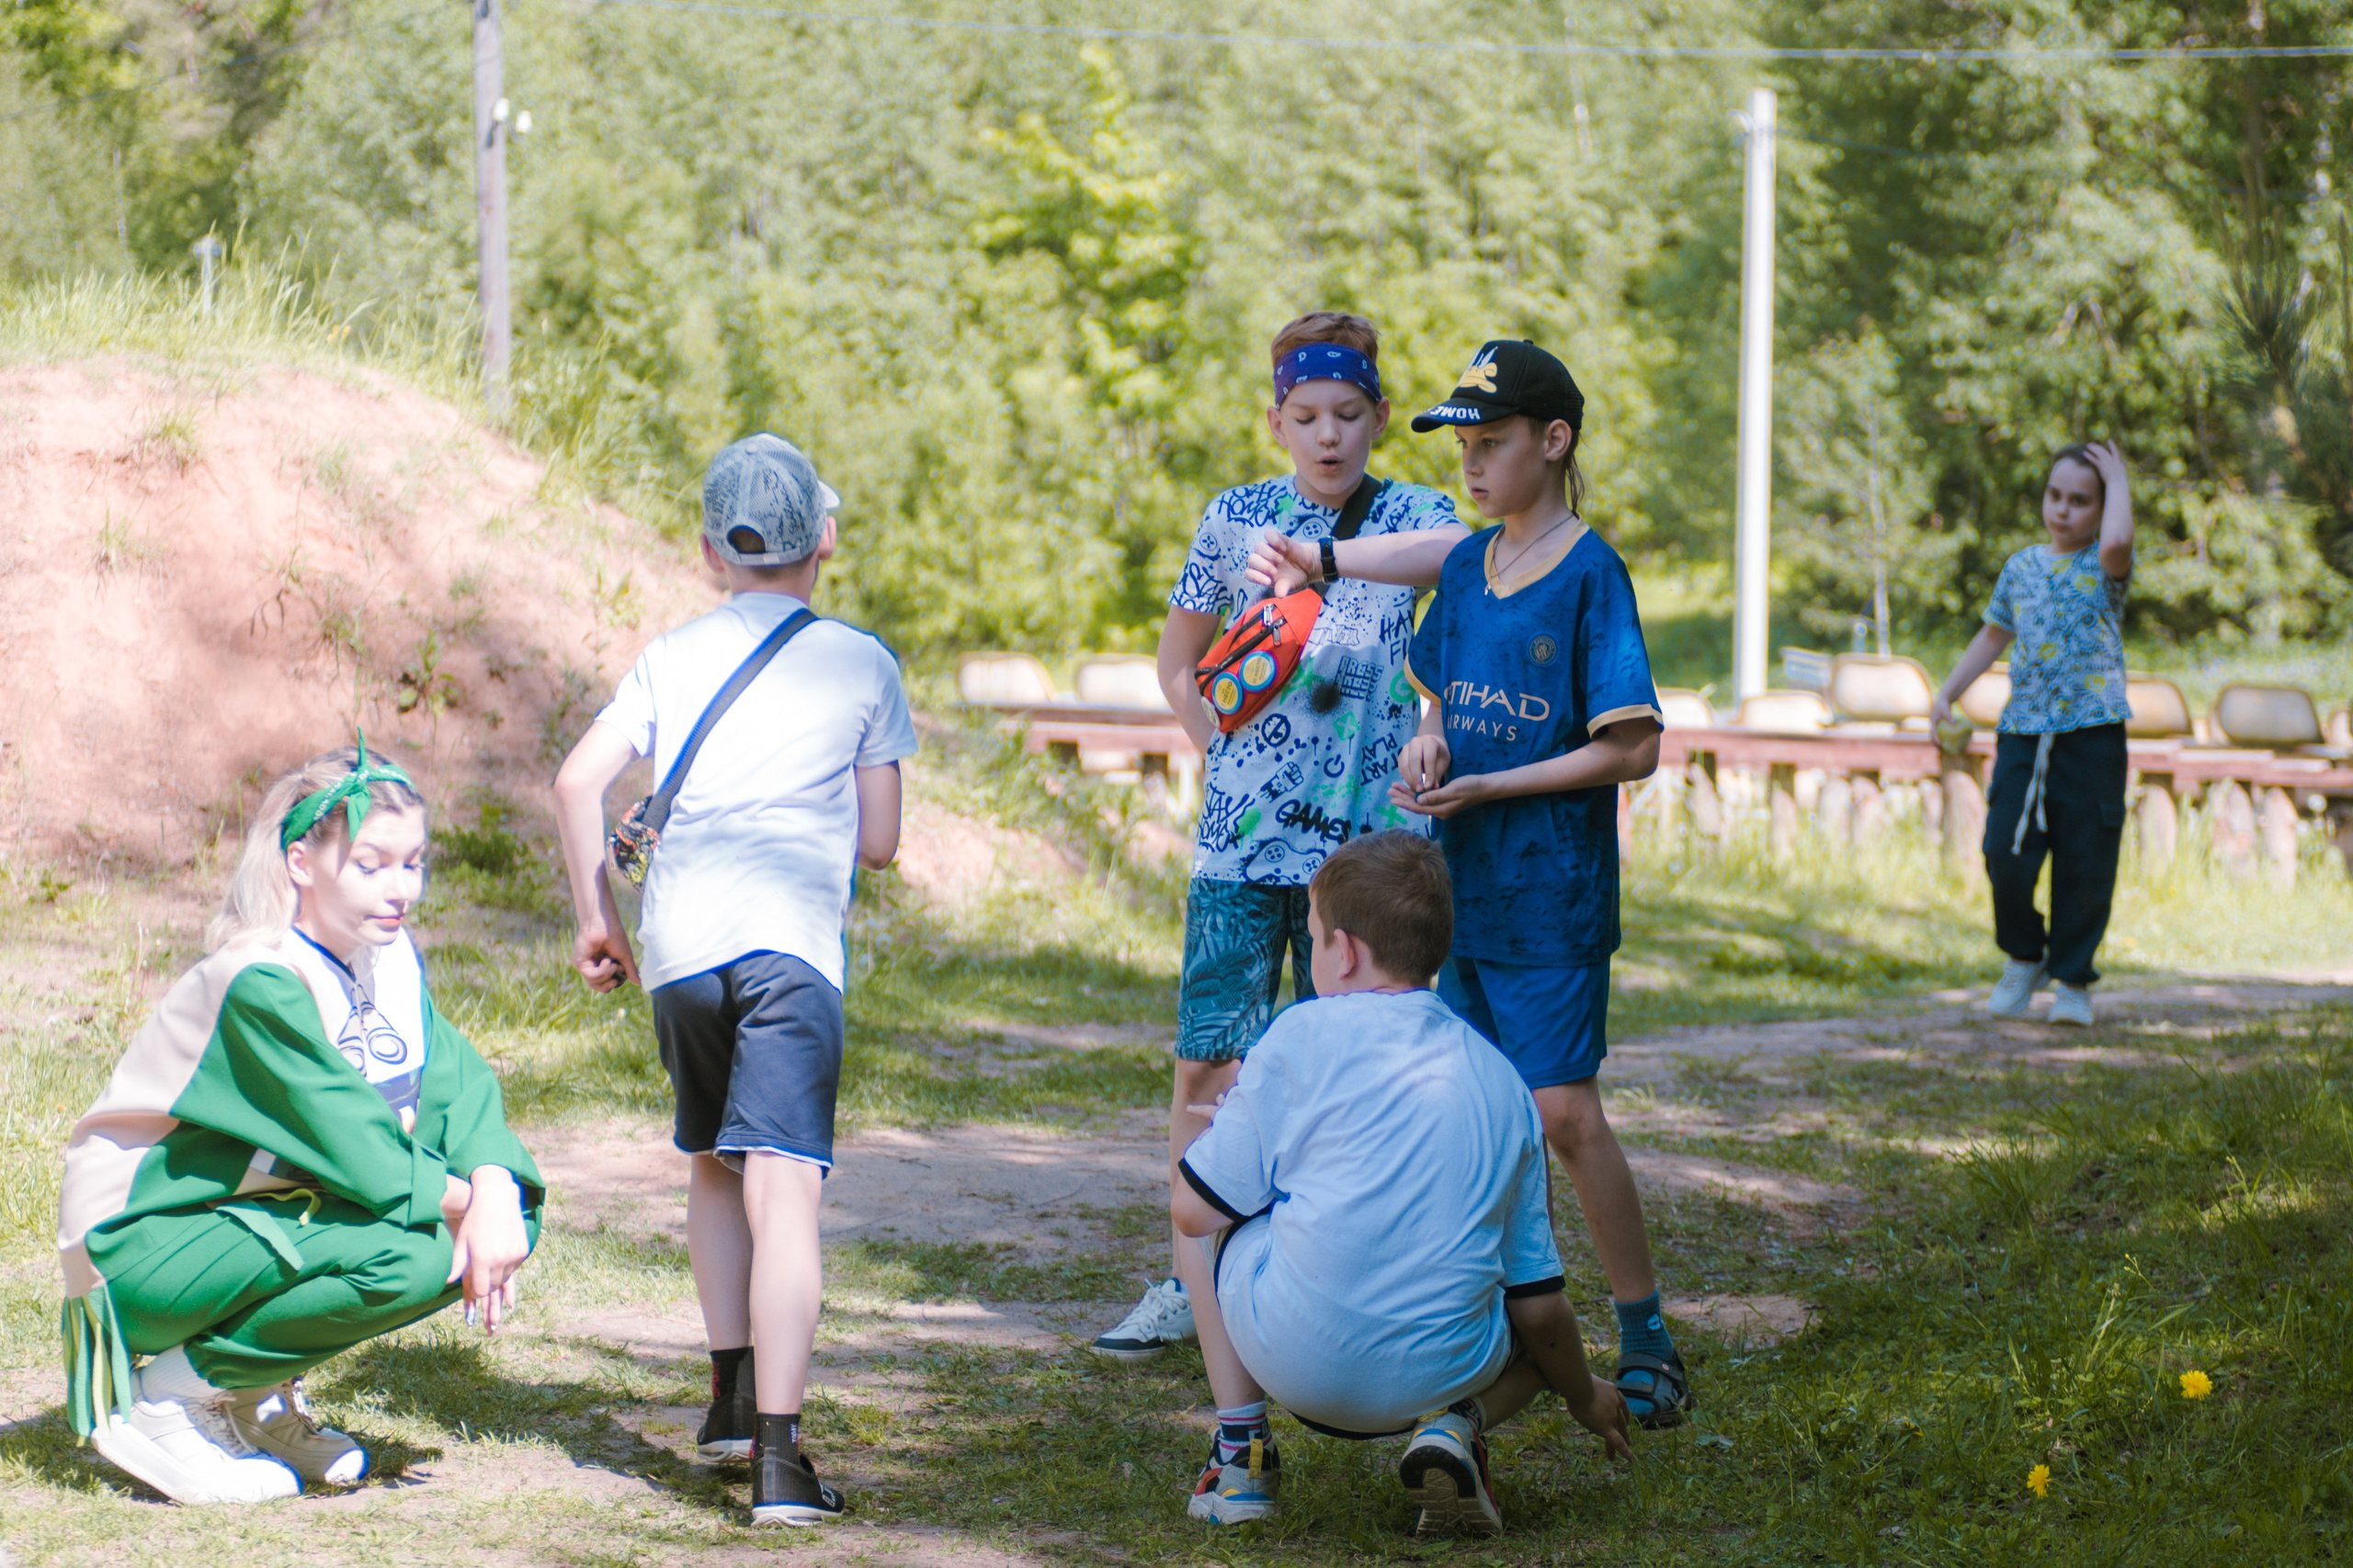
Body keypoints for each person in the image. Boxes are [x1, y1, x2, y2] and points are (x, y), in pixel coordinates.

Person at [1256, 339, 1691, 1427]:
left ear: (1555, 441)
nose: (1473, 464)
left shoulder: (1591, 573)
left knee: (1559, 1111)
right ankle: (1505, 1328)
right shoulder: (1466, 566)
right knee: (1462, 1109)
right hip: (1460, 897)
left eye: (1492, 442)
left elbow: (1631, 746)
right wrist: (1429, 744)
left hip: (1552, 891)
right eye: (1463, 445)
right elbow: (1435, 692)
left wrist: (1494, 786)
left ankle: (1644, 1332)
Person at [1090, 311, 1469, 1363]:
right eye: (1306, 416)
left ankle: (1335, 1270)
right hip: (1239, 850)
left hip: (1372, 855)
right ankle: (1188, 1277)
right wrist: (1208, 731)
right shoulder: (1234, 519)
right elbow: (1178, 657)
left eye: (1349, 414)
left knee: (1358, 1070)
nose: (1329, 436)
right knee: (1209, 1066)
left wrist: (1430, 726)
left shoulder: (1419, 515)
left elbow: (1458, 569)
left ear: (1383, 416)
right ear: (1276, 421)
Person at [552, 433, 914, 1527]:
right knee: (784, 1185)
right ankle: (781, 1460)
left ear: (710, 546)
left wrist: (596, 921)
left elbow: (577, 782)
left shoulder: (671, 652)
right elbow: (884, 841)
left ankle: (728, 1392)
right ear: (827, 537)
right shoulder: (860, 660)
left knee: (715, 1161)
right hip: (788, 948)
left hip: (683, 951)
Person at [56, 743, 543, 1506]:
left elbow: (461, 1089)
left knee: (477, 1226)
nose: (401, 889)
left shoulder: (385, 960)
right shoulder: (260, 979)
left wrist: (495, 1187)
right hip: (140, 1246)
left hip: (236, 1225)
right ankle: (168, 1399)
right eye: (372, 864)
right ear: (301, 863)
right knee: (417, 1253)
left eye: (413, 863)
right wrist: (479, 1206)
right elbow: (366, 1158)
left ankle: (246, 1397)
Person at [1173, 830, 1631, 1536]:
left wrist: (1235, 1133)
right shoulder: (1503, 1082)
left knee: (1223, 1198)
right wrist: (1582, 1397)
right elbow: (1539, 1311)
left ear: (1345, 950)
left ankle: (1241, 1457)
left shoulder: (1295, 1037)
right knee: (1542, 1322)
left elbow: (1191, 1213)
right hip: (1443, 1372)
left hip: (1295, 1360)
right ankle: (1458, 1428)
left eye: (1317, 937)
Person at [1931, 441, 2135, 1028]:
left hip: (2094, 736)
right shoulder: (2020, 567)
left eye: (2080, 500)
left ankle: (2072, 978)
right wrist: (1946, 693)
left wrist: (2119, 480)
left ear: (2100, 509)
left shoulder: (2107, 564)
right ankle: (2026, 956)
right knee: (2004, 850)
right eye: (2055, 496)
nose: (2064, 510)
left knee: (2087, 860)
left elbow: (2121, 540)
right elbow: (1993, 635)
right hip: (2023, 732)